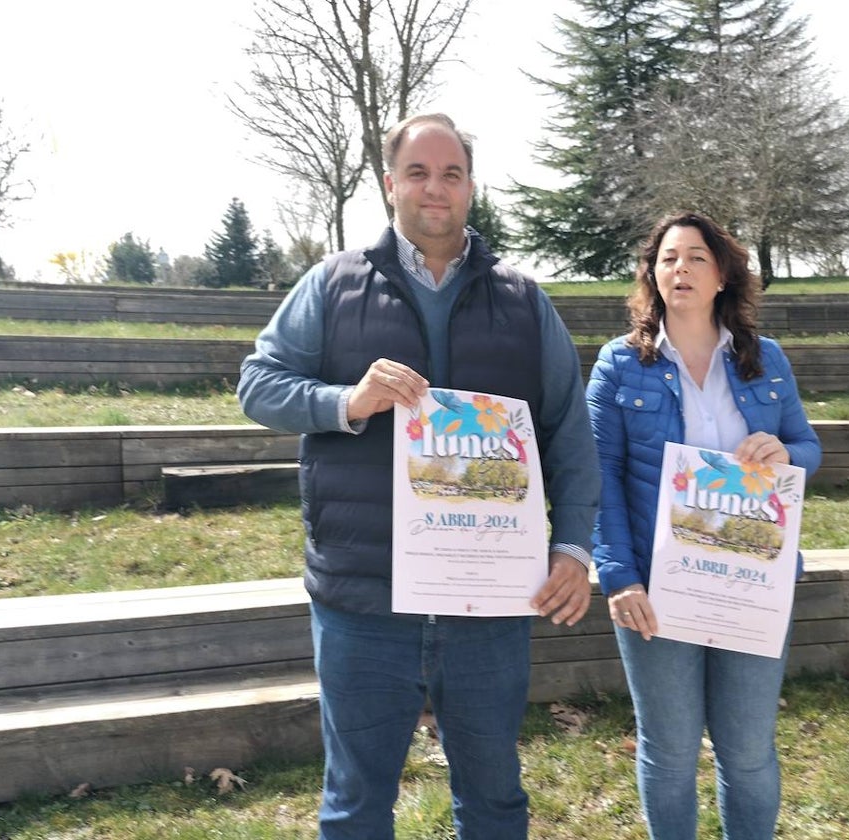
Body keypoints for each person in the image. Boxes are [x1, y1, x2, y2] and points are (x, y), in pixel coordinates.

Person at [237, 112, 600, 840]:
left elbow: (569, 429)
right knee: (357, 804)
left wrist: (574, 547)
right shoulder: (331, 285)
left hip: (489, 599)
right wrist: (347, 401)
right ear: (389, 184)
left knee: (495, 798)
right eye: (419, 172)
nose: (436, 189)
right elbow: (258, 383)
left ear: (470, 187)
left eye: (452, 174)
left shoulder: (525, 300)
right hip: (365, 599)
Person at [585, 211, 822, 840]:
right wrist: (619, 578)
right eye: (667, 258)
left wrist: (785, 453)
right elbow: (598, 476)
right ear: (652, 275)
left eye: (695, 257)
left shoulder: (765, 358)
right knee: (668, 751)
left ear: (722, 275)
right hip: (658, 586)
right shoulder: (618, 365)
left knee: (746, 750)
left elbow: (807, 446)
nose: (679, 268)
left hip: (753, 579)